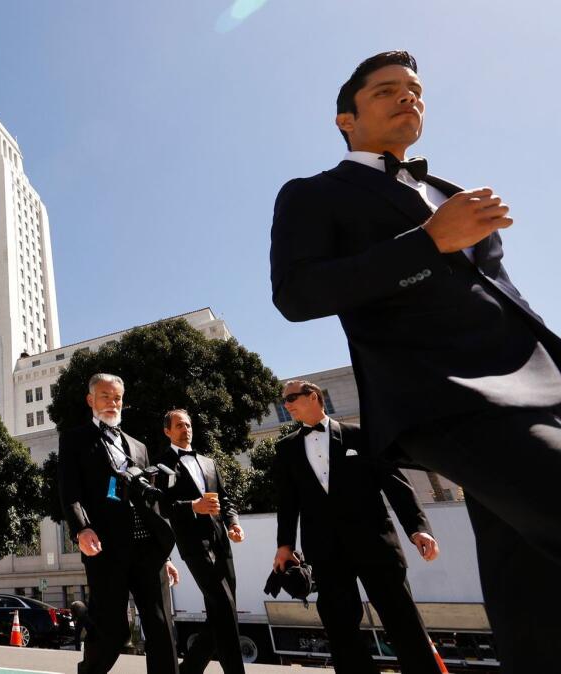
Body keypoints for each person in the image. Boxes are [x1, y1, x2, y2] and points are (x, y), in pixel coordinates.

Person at [269, 49, 561, 671]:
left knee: (532, 597)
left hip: (541, 386)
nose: (409, 97)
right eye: (387, 90)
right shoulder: (313, 195)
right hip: (445, 397)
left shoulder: (453, 193)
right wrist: (427, 243)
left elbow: (507, 297)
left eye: (416, 89)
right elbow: (297, 295)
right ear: (345, 119)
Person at [272, 379, 440, 674]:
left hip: (376, 545)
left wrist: (418, 529)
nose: (286, 404)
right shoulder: (286, 449)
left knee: (402, 621)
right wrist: (284, 545)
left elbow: (396, 486)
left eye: (291, 398)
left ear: (313, 397)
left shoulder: (361, 437)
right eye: (284, 400)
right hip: (325, 551)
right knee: (340, 629)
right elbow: (287, 502)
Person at [58, 373, 181, 674]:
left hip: (148, 548)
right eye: (105, 396)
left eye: (117, 398)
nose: (112, 403)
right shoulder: (74, 439)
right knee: (113, 633)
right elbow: (69, 491)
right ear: (91, 400)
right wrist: (81, 528)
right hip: (106, 549)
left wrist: (164, 556)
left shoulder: (138, 447)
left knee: (162, 628)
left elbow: (150, 503)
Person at [154, 409, 245, 674]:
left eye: (189, 425)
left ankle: (190, 669)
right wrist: (193, 506)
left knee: (223, 610)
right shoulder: (161, 464)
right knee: (225, 608)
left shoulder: (209, 462)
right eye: (180, 425)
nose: (186, 429)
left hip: (221, 543)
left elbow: (225, 499)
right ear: (167, 431)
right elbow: (160, 506)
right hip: (194, 545)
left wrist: (234, 524)